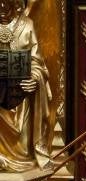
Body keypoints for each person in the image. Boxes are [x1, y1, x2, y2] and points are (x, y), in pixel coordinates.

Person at [0, 0, 51, 171]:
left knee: (21, 148)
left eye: (5, 3)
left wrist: (35, 78)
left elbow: (37, 63)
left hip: (20, 97)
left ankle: (21, 156)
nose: (2, 8)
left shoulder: (27, 25)